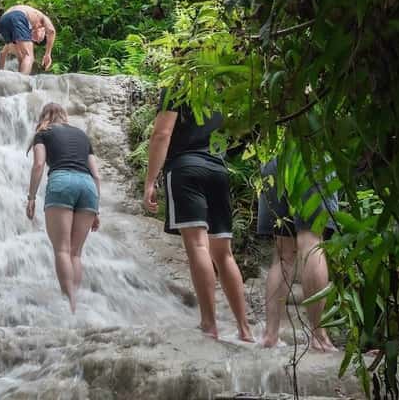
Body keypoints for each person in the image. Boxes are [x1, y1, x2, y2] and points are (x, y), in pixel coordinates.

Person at [142, 89, 254, 342]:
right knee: (223, 253)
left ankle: (209, 323)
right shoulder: (221, 91)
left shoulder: (178, 86)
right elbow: (239, 137)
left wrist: (150, 181)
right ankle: (244, 329)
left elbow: (162, 134)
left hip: (185, 168)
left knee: (197, 245)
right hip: (217, 169)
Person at [257, 156, 338, 352]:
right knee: (311, 242)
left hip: (272, 159)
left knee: (284, 254)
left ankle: (270, 335)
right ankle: (319, 337)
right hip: (309, 153)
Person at [27, 102, 101, 313]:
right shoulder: (82, 135)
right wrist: (96, 208)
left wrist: (31, 198)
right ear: (64, 115)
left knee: (62, 249)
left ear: (44, 116)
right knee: (76, 253)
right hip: (87, 186)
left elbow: (39, 165)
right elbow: (96, 174)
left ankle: (70, 306)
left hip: (62, 182)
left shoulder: (43, 133)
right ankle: (76, 303)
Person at [0, 5, 56, 74]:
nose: (36, 39)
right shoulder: (41, 17)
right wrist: (47, 54)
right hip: (18, 16)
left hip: (3, 21)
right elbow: (51, 31)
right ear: (44, 30)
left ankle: (3, 79)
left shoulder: (22, 31)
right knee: (29, 56)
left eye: (35, 41)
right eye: (40, 38)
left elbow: (3, 53)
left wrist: (0, 72)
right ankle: (22, 83)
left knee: (21, 58)